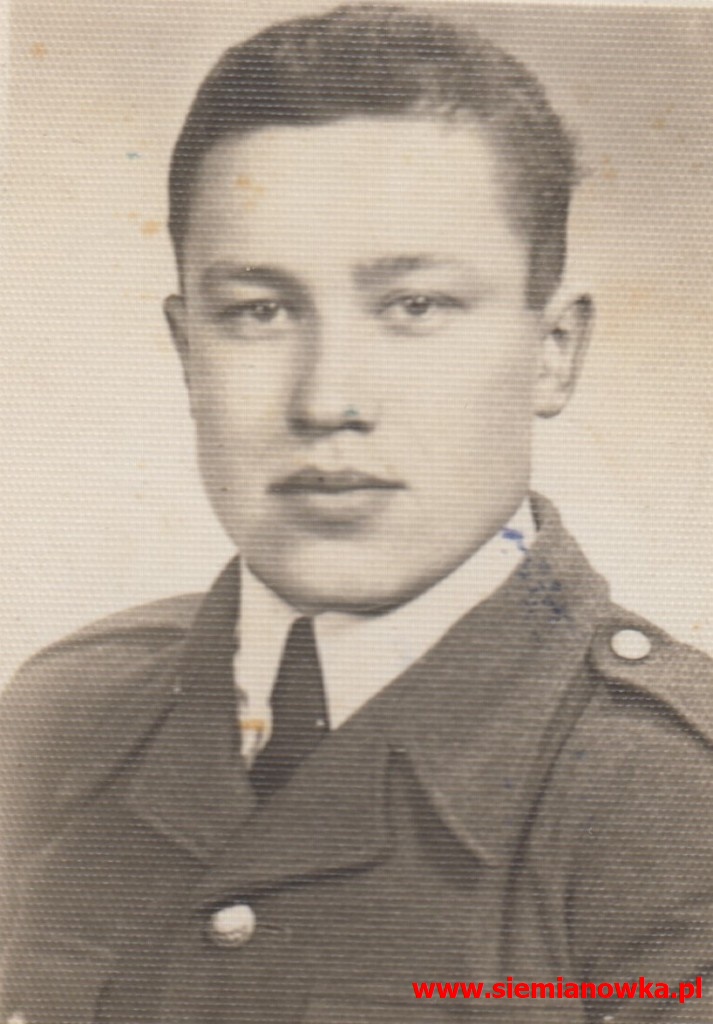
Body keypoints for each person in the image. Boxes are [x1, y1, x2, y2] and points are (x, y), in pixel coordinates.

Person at [1, 5, 712, 1022]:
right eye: (258, 311)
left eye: (414, 306)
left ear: (551, 352)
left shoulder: (673, 797)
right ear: (187, 352)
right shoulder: (59, 721)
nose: (327, 397)